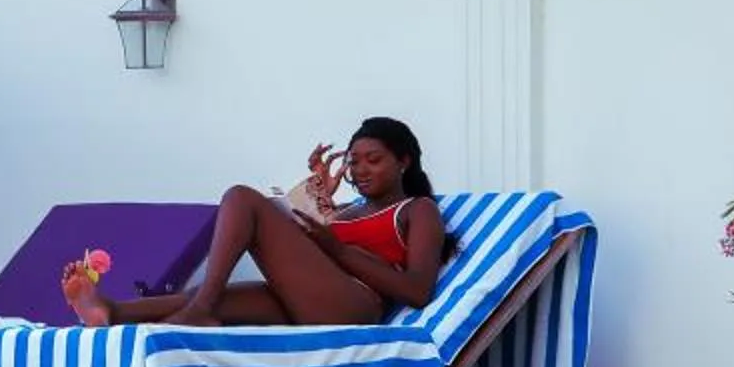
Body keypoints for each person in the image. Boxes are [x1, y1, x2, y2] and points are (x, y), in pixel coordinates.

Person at [65, 116, 449, 328]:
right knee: (207, 298)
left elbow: (417, 291)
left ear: (404, 161)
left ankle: (200, 310)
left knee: (242, 199)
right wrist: (318, 197)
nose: (360, 169)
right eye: (354, 160)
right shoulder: (347, 210)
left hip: (354, 305)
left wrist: (338, 249)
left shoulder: (417, 211)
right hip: (313, 299)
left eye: (374, 159)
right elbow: (314, 250)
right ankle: (112, 312)